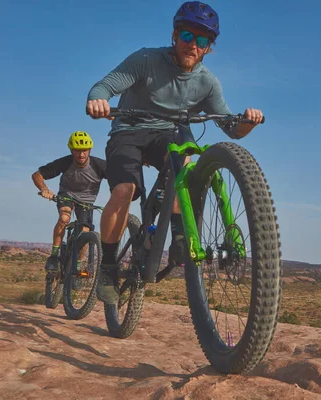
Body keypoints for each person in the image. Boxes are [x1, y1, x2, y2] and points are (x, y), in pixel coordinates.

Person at [85, 1, 264, 304]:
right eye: (188, 37)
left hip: (167, 134)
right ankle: (108, 267)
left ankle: (180, 236)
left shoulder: (207, 82)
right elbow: (105, 86)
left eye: (203, 41)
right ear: (175, 35)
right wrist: (98, 101)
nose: (194, 45)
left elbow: (230, 127)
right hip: (128, 130)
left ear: (209, 48)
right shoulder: (146, 59)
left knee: (185, 161)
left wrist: (247, 122)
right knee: (125, 189)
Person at [32, 131, 107, 271]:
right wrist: (44, 189)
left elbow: (118, 176)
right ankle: (54, 256)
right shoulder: (65, 162)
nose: (81, 154)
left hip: (87, 201)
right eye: (77, 151)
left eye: (84, 150)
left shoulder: (99, 165)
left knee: (85, 232)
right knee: (64, 217)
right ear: (71, 150)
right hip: (67, 195)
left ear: (90, 149)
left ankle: (77, 266)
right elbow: (37, 175)